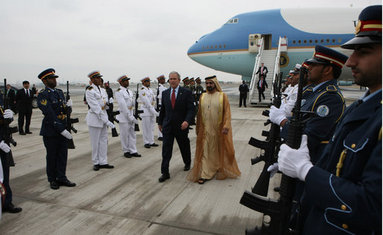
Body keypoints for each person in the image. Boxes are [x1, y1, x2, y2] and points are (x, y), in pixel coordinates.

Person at [277, 5, 382, 234]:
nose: (351, 61)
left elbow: (372, 206)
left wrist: (306, 171)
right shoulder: (364, 105)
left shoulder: (335, 100)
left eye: (363, 52)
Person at [270, 45, 348, 164]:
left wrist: (282, 121)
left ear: (327, 70)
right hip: (299, 158)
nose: (309, 68)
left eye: (314, 65)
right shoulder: (313, 92)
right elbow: (299, 120)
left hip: (312, 162)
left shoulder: (331, 97)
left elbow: (310, 136)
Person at [188, 75, 241, 184]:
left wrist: (226, 126)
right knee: (206, 151)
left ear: (215, 84)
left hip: (219, 131)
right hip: (206, 130)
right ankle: (205, 173)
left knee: (219, 151)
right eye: (207, 83)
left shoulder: (222, 96)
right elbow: (199, 115)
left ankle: (216, 167)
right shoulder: (202, 96)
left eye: (211, 83)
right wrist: (198, 128)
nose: (208, 85)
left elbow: (227, 112)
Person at [37, 68, 76, 190]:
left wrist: (69, 107)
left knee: (62, 155)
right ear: (45, 81)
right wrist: (61, 129)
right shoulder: (43, 95)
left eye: (55, 78)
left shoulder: (59, 92)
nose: (54, 80)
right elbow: (49, 114)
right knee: (52, 156)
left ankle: (62, 177)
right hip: (51, 131)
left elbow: (63, 111)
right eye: (51, 78)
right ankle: (52, 179)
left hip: (62, 128)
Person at [157, 71, 194, 183]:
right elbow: (163, 110)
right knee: (166, 150)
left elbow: (191, 109)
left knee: (184, 146)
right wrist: (159, 123)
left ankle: (187, 162)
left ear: (179, 80)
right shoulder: (165, 93)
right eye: (170, 79)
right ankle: (165, 172)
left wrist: (187, 121)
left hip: (181, 126)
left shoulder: (186, 92)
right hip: (168, 126)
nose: (172, 81)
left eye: (174, 79)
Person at [85, 71, 115, 171]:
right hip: (95, 118)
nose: (99, 80)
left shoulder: (102, 90)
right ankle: (96, 162)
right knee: (95, 142)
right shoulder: (90, 91)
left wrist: (108, 104)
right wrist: (106, 121)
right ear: (92, 80)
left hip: (103, 116)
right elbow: (95, 107)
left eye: (99, 78)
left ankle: (103, 161)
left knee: (104, 141)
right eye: (97, 78)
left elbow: (103, 104)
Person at [0, 95, 21, 213]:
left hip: (4, 141)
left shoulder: (1, 97)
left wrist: (9, 117)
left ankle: (6, 202)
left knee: (4, 176)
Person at [115, 75, 141, 158]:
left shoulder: (129, 91)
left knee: (132, 134)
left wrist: (136, 102)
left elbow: (132, 103)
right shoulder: (119, 92)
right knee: (125, 135)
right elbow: (123, 106)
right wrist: (130, 117)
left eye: (128, 80)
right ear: (121, 82)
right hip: (124, 116)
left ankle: (133, 150)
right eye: (125, 81)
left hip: (130, 114)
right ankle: (126, 151)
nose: (127, 82)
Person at [139, 77, 159, 148]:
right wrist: (155, 112)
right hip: (146, 111)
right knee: (146, 128)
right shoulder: (142, 90)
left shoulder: (150, 90)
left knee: (151, 127)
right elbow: (147, 102)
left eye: (149, 81)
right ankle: (146, 142)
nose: (148, 83)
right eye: (146, 81)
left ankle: (151, 141)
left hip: (151, 111)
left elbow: (153, 100)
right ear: (143, 83)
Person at [156, 75, 167, 141]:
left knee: (162, 121)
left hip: (163, 105)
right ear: (159, 80)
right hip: (161, 106)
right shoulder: (160, 88)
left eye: (164, 79)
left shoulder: (162, 87)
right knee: (161, 121)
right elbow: (159, 97)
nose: (164, 80)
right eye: (162, 79)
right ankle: (160, 135)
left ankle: (162, 134)